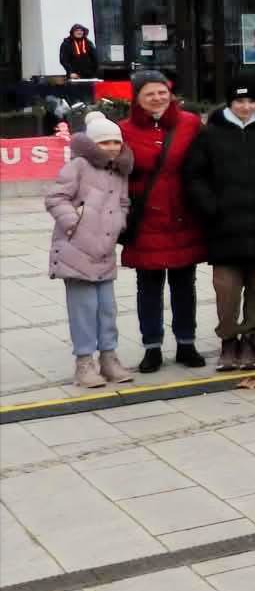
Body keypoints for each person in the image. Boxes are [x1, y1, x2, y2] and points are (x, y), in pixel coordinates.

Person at [182, 86, 255, 372]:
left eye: (251, 101)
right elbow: (194, 175)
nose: (246, 106)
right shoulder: (210, 135)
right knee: (227, 291)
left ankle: (250, 339)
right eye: (240, 101)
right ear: (230, 103)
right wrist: (209, 206)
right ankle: (228, 340)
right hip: (223, 229)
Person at [118, 71, 207, 372]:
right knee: (148, 288)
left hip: (184, 216)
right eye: (149, 94)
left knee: (184, 286)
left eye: (162, 92)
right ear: (137, 99)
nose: (157, 98)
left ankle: (186, 343)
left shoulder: (190, 123)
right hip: (145, 220)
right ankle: (152, 347)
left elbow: (206, 163)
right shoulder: (124, 130)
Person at [45, 112, 134, 389]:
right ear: (93, 144)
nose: (112, 147)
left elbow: (123, 202)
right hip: (77, 250)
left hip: (105, 250)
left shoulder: (119, 170)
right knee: (83, 310)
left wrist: (120, 223)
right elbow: (55, 197)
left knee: (107, 309)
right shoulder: (79, 166)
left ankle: (109, 357)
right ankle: (84, 362)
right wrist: (74, 222)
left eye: (116, 142)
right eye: (105, 142)